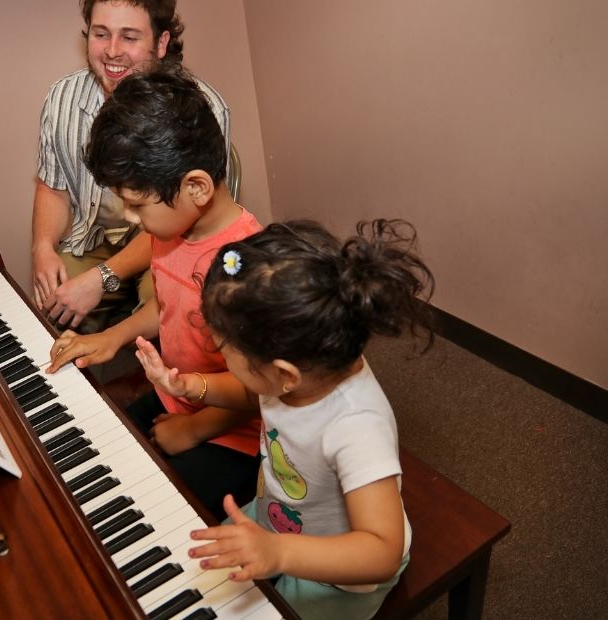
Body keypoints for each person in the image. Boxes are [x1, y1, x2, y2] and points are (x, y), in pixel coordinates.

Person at [133, 219, 436, 619]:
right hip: (279, 517)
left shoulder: (357, 427)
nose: (217, 354)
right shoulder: (296, 375)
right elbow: (253, 390)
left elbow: (381, 550)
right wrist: (193, 387)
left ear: (284, 373)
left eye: (223, 348)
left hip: (337, 573)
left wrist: (278, 553)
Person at [46, 69, 261, 521]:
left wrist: (195, 429)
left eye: (137, 204)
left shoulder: (243, 269)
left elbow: (261, 389)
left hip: (235, 431)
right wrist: (114, 337)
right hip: (176, 397)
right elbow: (169, 306)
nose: (130, 217)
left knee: (155, 517)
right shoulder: (174, 227)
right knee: (97, 454)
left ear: (196, 187)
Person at [32, 0, 230, 333]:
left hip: (172, 244)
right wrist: (42, 248)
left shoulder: (206, 111)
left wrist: (103, 277)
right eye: (101, 34)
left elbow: (191, 223)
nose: (112, 51)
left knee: (176, 315)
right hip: (92, 239)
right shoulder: (61, 97)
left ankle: (155, 384)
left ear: (161, 43)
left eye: (129, 37)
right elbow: (51, 186)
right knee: (53, 308)